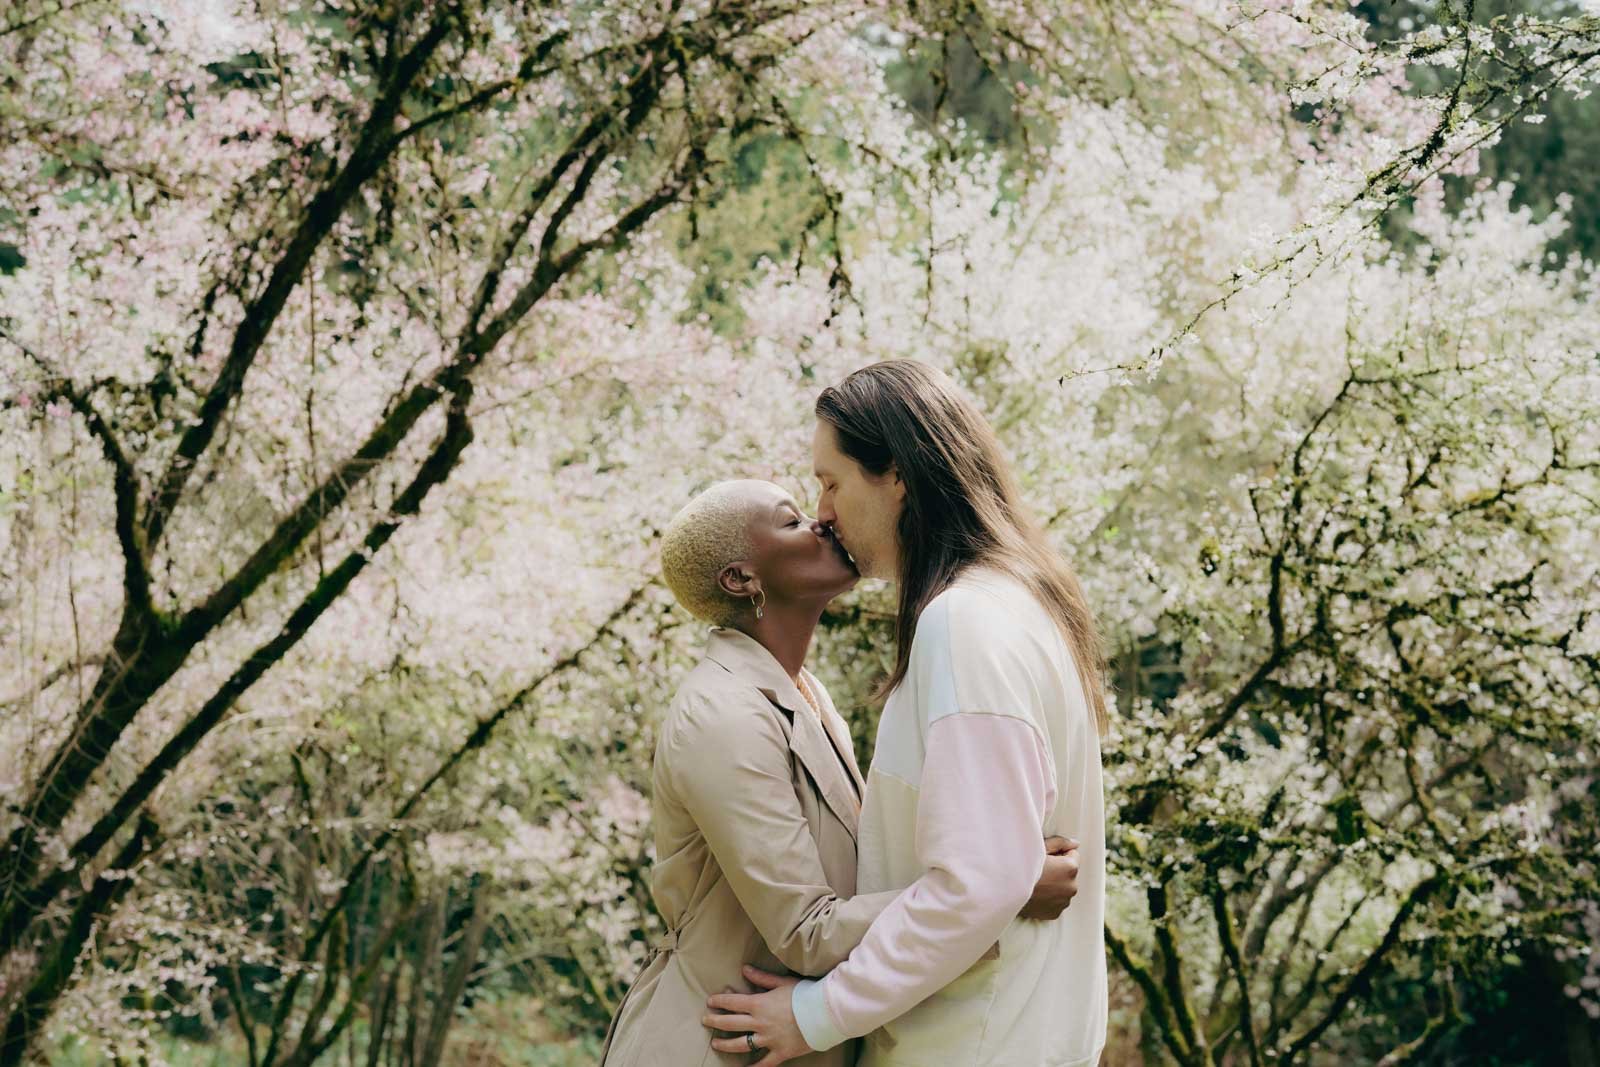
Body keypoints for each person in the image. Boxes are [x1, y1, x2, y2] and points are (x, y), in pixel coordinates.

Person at [703, 362, 1110, 1066]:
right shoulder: (1026, 604)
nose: (823, 510)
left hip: (971, 1041)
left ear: (894, 472)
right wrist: (1011, 873)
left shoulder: (966, 621)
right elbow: (997, 862)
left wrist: (815, 1012)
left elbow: (975, 882)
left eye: (831, 482)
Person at [599, 478, 1080, 1067]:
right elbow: (809, 933)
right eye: (791, 521)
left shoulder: (806, 694)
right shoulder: (721, 716)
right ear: (741, 578)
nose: (822, 523)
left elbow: (856, 878)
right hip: (716, 1043)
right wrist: (1004, 883)